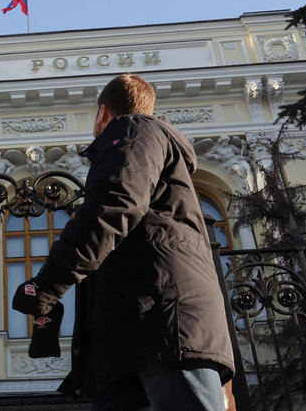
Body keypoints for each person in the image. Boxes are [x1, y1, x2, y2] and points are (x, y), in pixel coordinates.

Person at [12, 74, 234, 411]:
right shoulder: (158, 152)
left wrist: (47, 285)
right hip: (140, 330)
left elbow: (113, 206)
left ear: (102, 114)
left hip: (161, 325)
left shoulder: (132, 130)